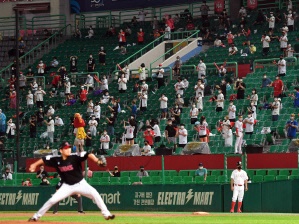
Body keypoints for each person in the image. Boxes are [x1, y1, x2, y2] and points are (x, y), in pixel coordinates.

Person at [28, 142, 115, 221]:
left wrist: (96, 161)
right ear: (61, 150)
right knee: (52, 200)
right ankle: (35, 217)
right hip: (67, 186)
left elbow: (88, 154)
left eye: (69, 147)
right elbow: (44, 159)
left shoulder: (75, 156)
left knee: (95, 194)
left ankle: (107, 214)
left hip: (81, 184)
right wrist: (34, 165)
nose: (68, 149)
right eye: (66, 148)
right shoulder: (56, 159)